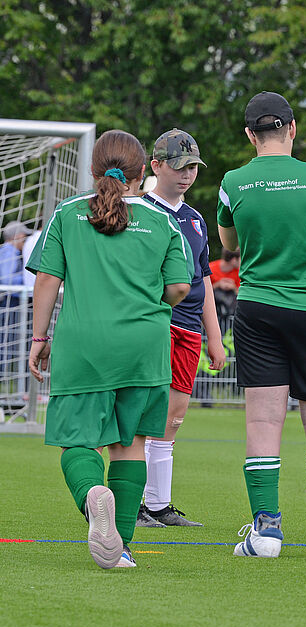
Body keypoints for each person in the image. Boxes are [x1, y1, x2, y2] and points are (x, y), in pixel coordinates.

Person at [27, 129, 191, 569]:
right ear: (143, 173)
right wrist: (153, 306)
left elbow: (47, 279)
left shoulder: (67, 212)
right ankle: (122, 550)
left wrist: (40, 339)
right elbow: (178, 286)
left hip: (84, 344)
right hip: (144, 345)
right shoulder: (164, 220)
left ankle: (92, 497)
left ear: (93, 169)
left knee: (78, 443)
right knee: (131, 444)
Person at [217, 91, 306, 560]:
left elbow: (229, 245)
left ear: (249, 135)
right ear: (292, 128)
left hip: (258, 310)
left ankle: (265, 533)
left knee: (262, 421)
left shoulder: (232, 183)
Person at [136, 129, 226, 529]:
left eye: (192, 166)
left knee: (174, 417)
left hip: (189, 327)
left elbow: (203, 278)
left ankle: (159, 504)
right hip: (152, 323)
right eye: (179, 166)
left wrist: (215, 337)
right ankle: (133, 501)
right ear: (156, 166)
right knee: (142, 413)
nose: (187, 174)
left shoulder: (194, 219)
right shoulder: (139, 212)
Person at [0, 222, 31, 373]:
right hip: (10, 303)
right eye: (24, 238)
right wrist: (28, 281)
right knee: (7, 343)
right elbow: (7, 280)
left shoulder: (8, 251)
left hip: (12, 302)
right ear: (17, 237)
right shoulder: (9, 252)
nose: (24, 242)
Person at [209, 248, 240, 328]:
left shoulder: (239, 272)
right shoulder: (210, 269)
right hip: (213, 309)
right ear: (234, 260)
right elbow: (203, 293)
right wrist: (218, 285)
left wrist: (233, 287)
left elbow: (241, 295)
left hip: (231, 312)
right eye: (240, 258)